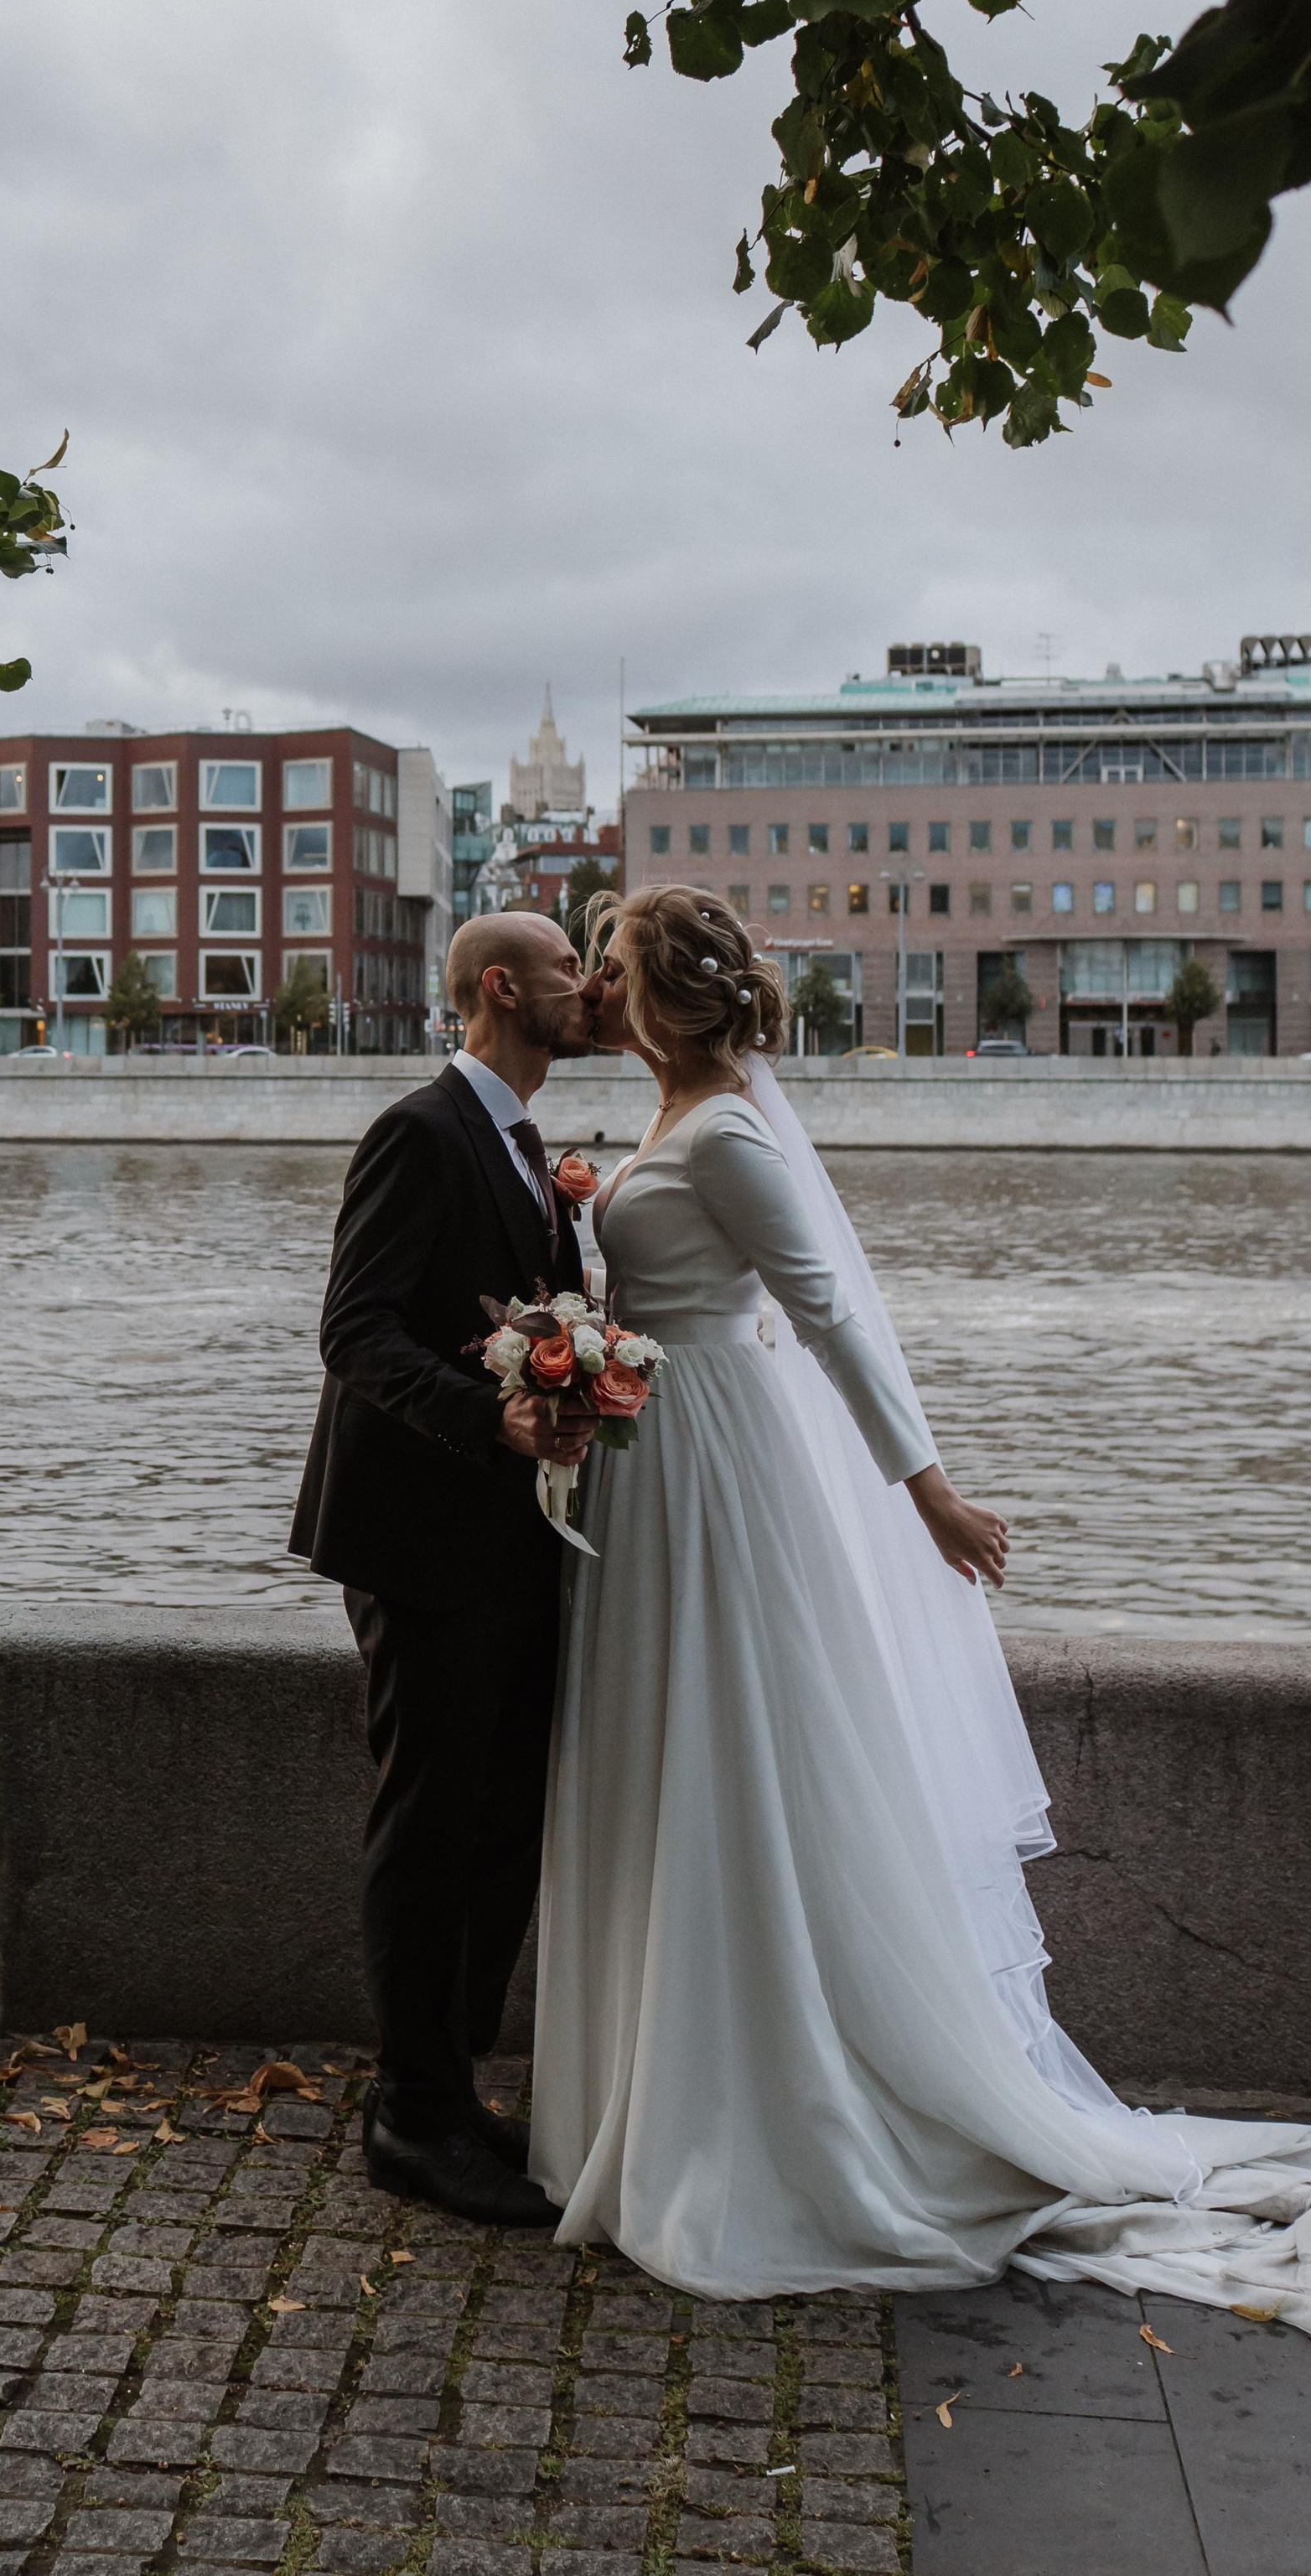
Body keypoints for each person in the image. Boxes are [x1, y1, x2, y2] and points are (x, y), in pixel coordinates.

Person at [532, 882, 1311, 2325]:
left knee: (735, 1752)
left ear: (668, 997)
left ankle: (770, 2106)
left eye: (615, 967)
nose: (599, 986)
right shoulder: (666, 1125)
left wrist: (928, 1489)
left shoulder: (729, 1133)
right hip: (664, 1460)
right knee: (667, 1751)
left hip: (715, 1475)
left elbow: (828, 1314)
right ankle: (656, 2084)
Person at [290, 910, 596, 2226]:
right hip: (423, 1540)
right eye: (571, 972)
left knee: (500, 1820)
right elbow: (352, 1331)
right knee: (430, 1826)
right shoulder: (422, 1131)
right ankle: (408, 2119)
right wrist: (496, 1414)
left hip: (514, 1537)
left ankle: (450, 2085)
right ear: (500, 987)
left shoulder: (526, 1151)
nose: (588, 991)